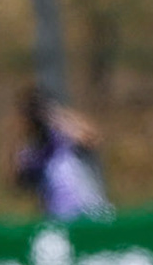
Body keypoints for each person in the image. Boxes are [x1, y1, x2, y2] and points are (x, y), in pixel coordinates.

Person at [11, 85, 113, 221]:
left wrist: (57, 115)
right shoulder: (30, 150)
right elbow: (15, 179)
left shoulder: (62, 135)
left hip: (88, 207)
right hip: (58, 215)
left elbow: (91, 137)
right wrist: (17, 132)